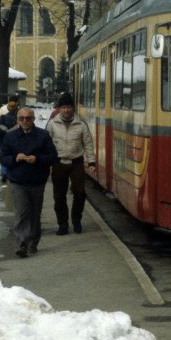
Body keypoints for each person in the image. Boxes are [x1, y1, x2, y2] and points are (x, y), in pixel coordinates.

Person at [0, 107, 56, 258]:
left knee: (35, 213)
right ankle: (21, 244)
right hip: (18, 181)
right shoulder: (10, 137)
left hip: (37, 180)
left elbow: (53, 157)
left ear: (33, 119)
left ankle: (33, 243)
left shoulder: (43, 136)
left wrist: (37, 159)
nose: (25, 121)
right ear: (17, 120)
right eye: (22, 118)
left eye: (28, 118)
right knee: (22, 212)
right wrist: (14, 159)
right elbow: (3, 158)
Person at [46, 91, 96, 235]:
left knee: (80, 193)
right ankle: (63, 224)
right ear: (59, 109)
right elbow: (46, 143)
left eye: (69, 107)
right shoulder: (52, 124)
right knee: (59, 195)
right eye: (63, 107)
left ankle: (76, 221)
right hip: (58, 162)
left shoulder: (81, 124)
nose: (66, 110)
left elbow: (88, 142)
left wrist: (91, 161)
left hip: (76, 162)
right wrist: (48, 162)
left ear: (73, 108)